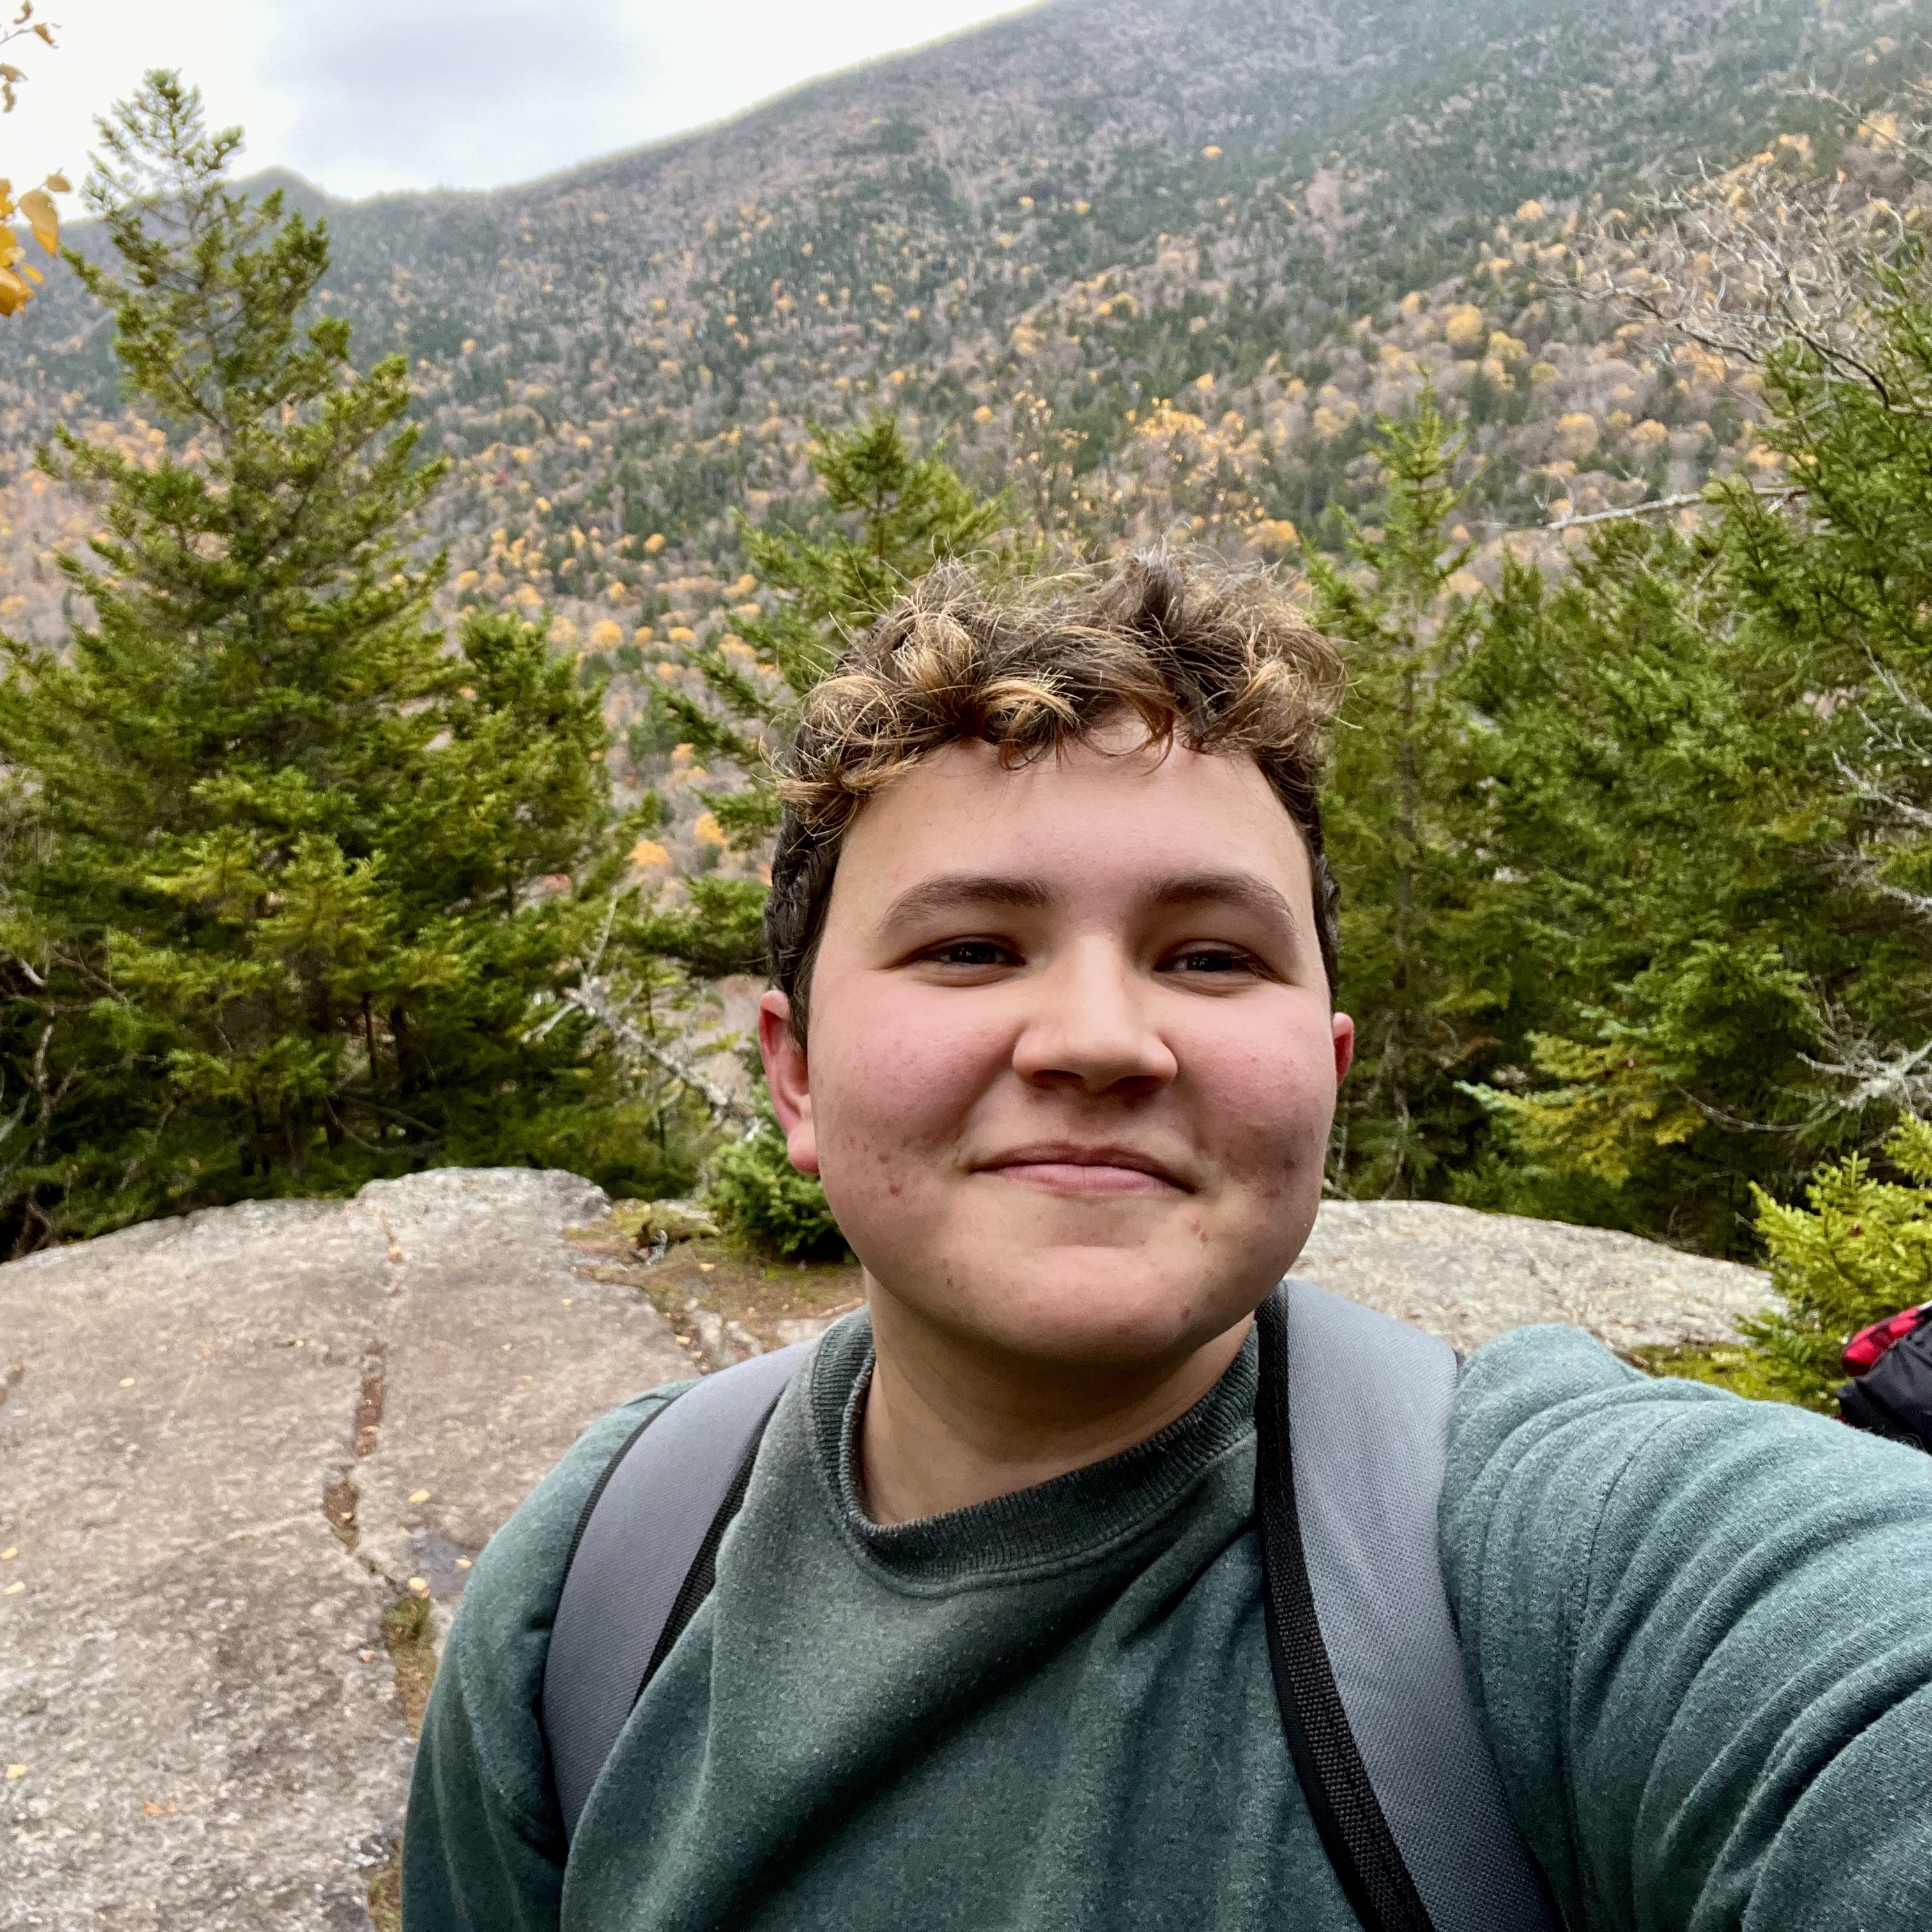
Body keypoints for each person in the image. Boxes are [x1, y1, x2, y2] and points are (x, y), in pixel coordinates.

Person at [402, 553, 1932, 1931]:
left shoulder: (1559, 1568)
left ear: (1324, 1071)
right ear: (794, 1074)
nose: (1097, 1039)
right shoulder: (591, 1593)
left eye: (1208, 955)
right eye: (971, 948)